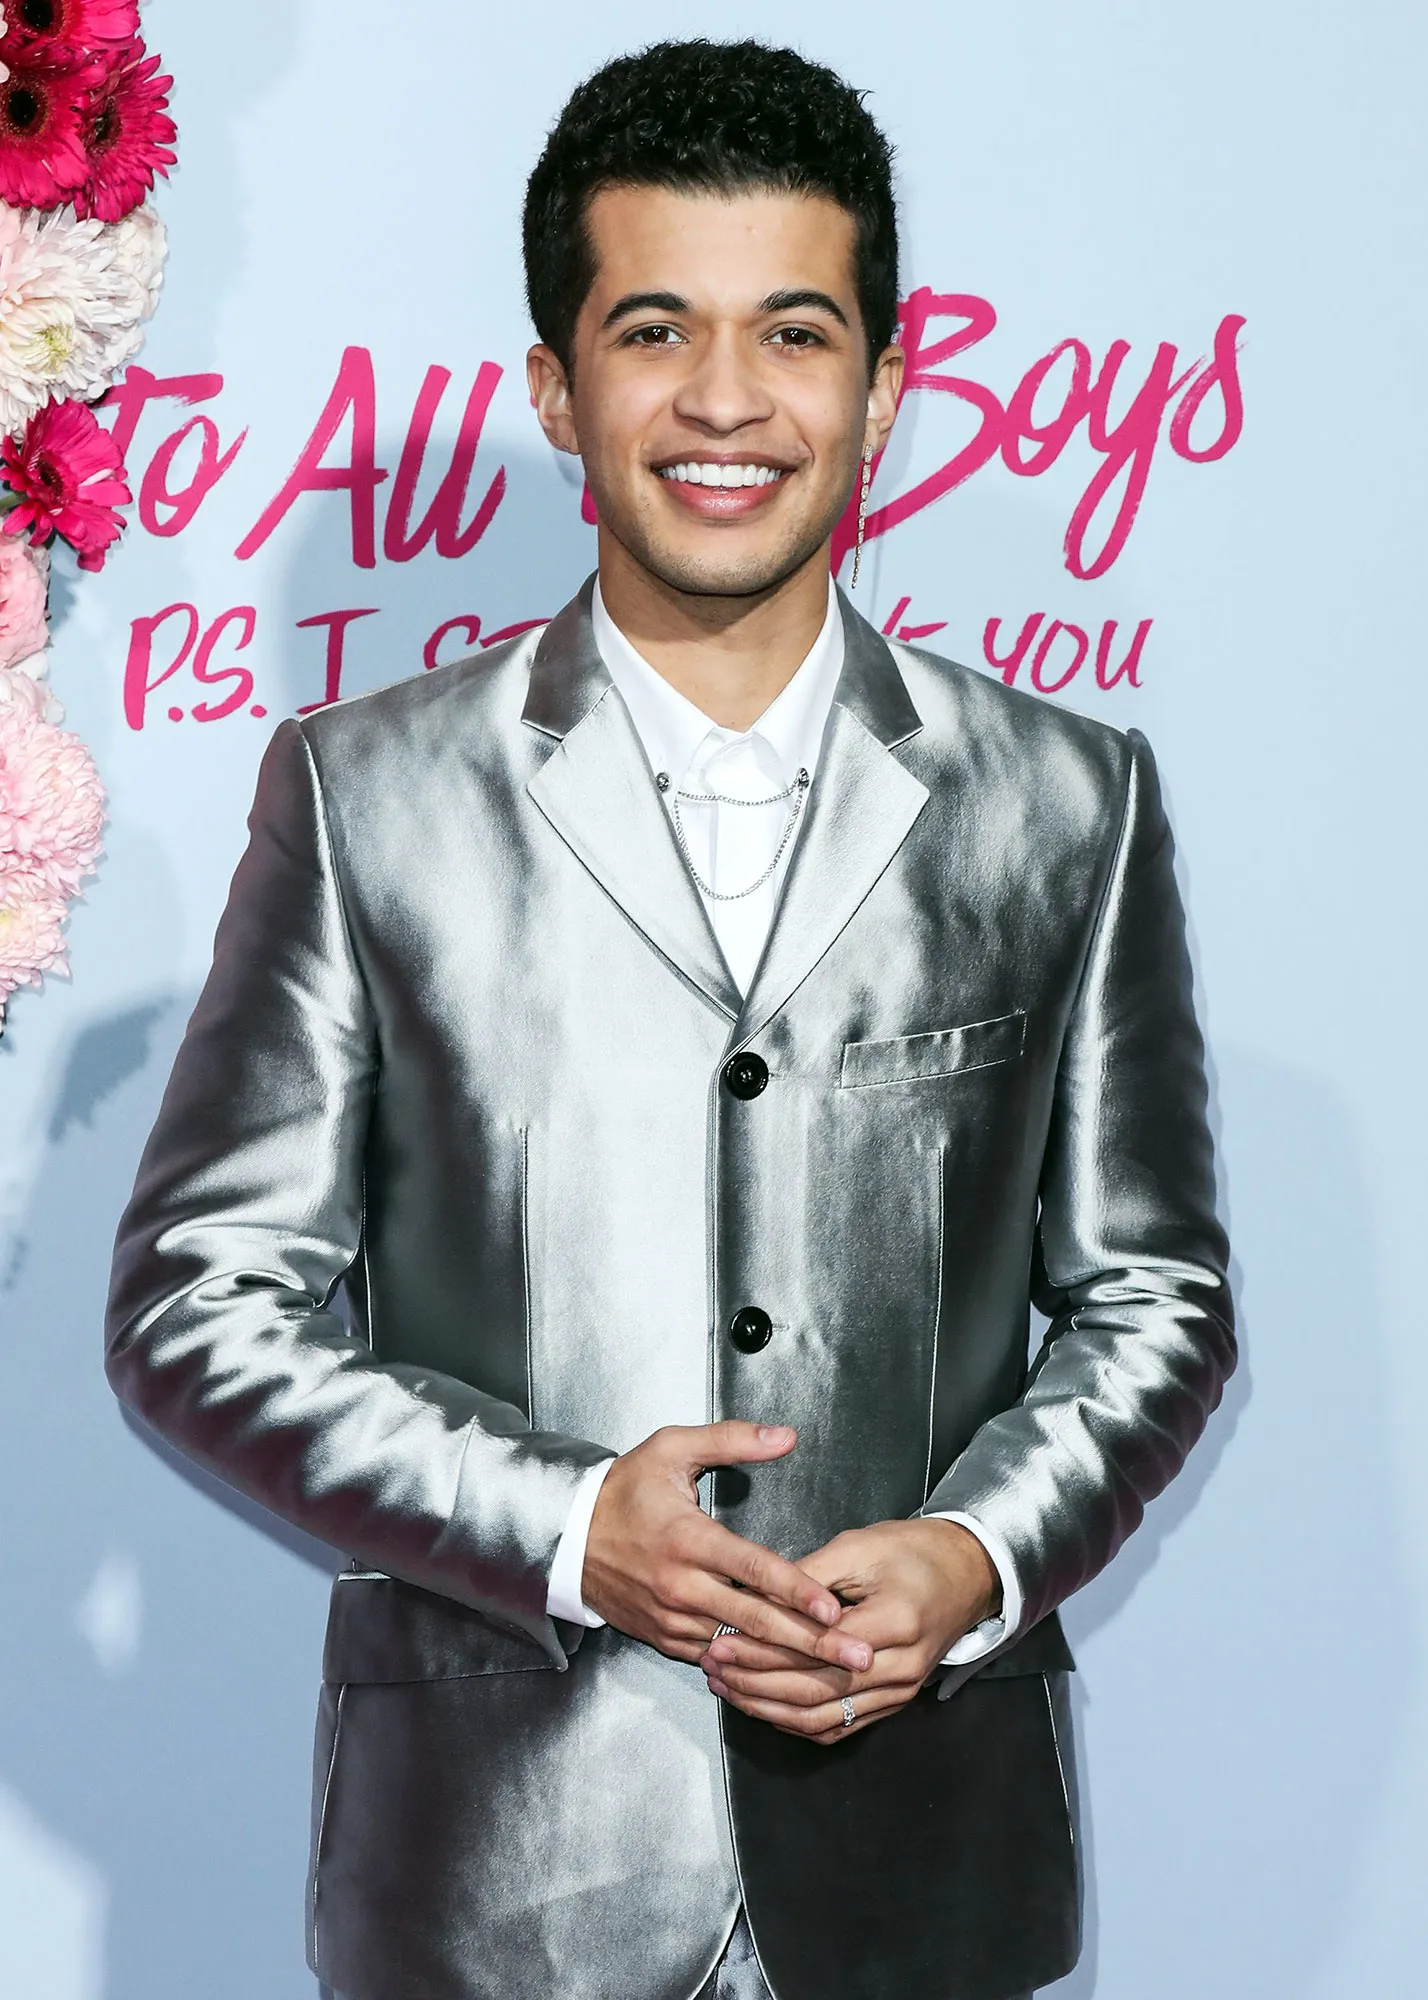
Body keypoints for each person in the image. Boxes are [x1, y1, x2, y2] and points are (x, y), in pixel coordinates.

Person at [104, 37, 1235, 2000]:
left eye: (794, 332)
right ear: (558, 386)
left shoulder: (1072, 799)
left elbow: (1155, 1295)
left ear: (886, 387)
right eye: (655, 331)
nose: (726, 399)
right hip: (492, 1877)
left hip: (925, 1866)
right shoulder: (366, 795)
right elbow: (200, 1304)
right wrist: (563, 1529)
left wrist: (975, 1556)